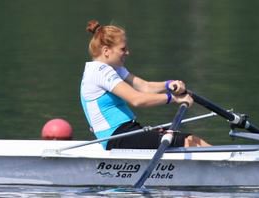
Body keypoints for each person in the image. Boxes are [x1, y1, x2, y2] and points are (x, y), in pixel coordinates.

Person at [80, 19, 211, 150]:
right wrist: (174, 98)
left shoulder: (114, 68)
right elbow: (137, 100)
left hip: (128, 131)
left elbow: (145, 86)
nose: (127, 52)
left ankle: (228, 164)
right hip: (115, 138)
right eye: (123, 49)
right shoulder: (99, 72)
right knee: (186, 143)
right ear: (106, 50)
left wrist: (169, 84)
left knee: (192, 140)